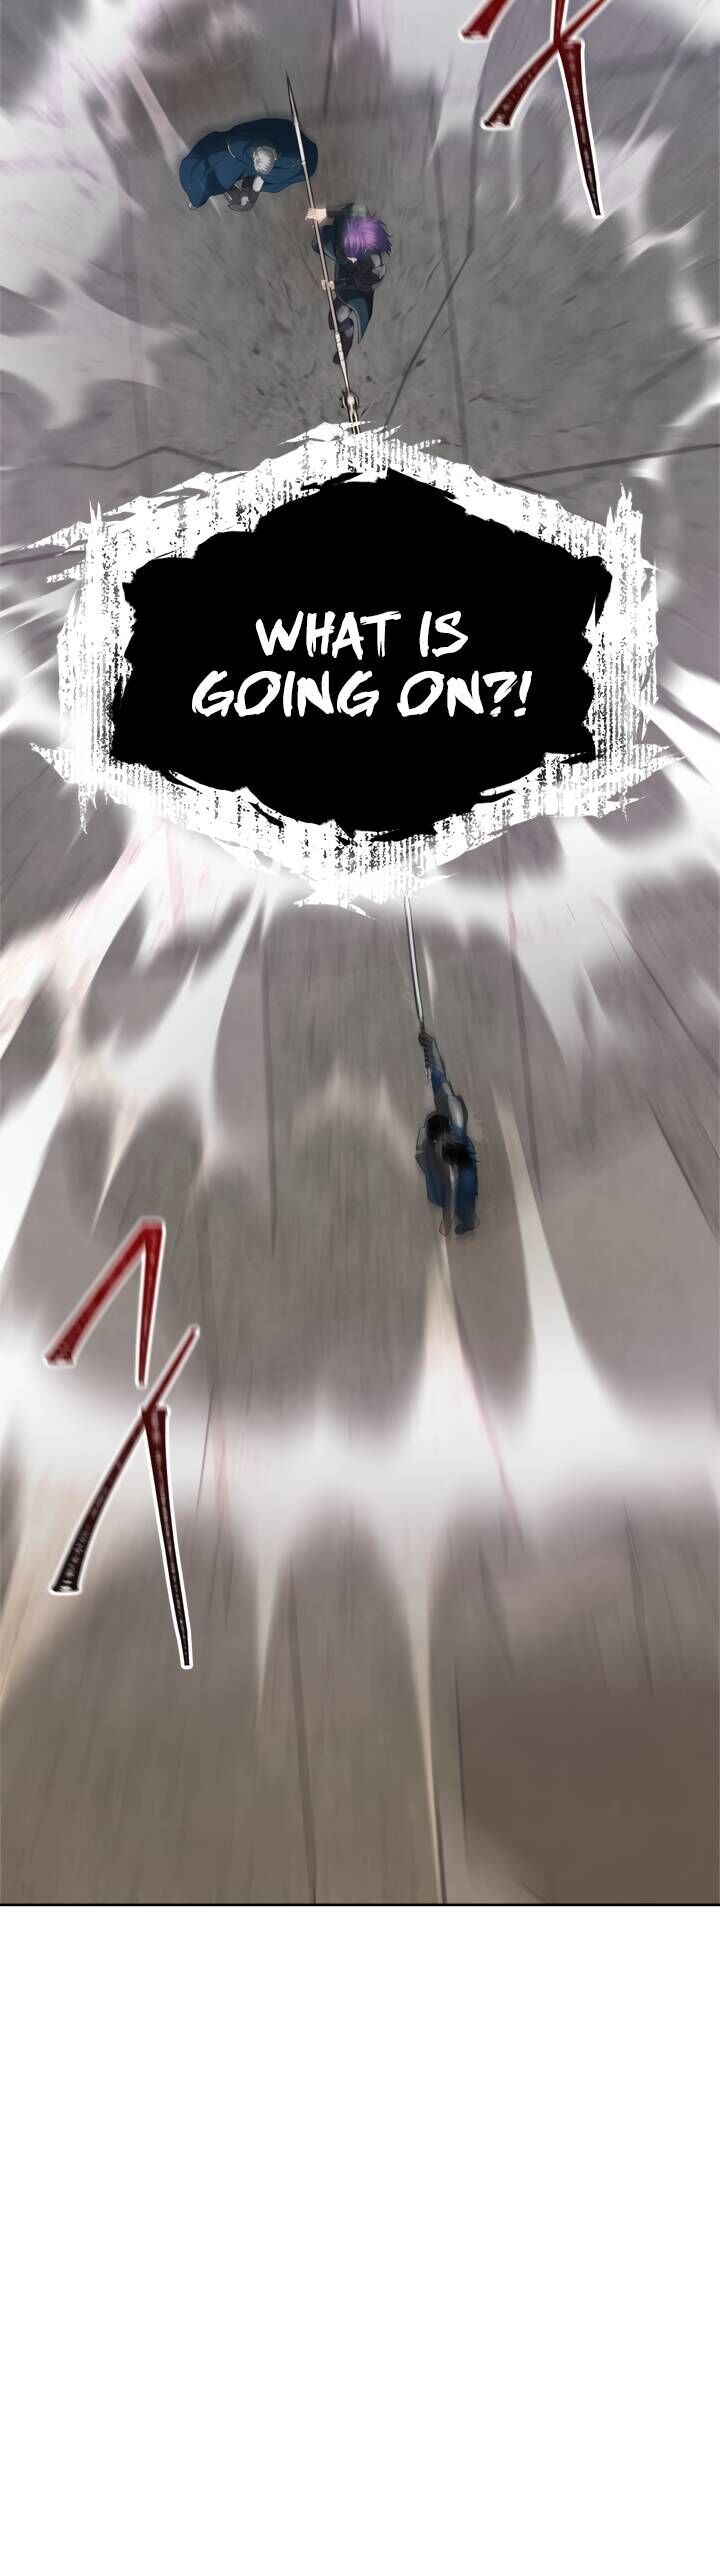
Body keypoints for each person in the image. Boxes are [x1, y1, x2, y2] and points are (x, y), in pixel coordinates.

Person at [180, 115, 318, 213]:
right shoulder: (239, 150)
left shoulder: (287, 159)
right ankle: (197, 199)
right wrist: (250, 195)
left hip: (245, 155)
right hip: (230, 158)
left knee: (220, 179)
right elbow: (259, 177)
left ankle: (203, 196)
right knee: (213, 182)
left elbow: (260, 176)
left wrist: (250, 195)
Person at [307, 202, 391, 362]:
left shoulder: (374, 265)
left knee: (336, 318)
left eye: (354, 256)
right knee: (317, 242)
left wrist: (335, 285)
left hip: (358, 285)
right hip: (341, 252)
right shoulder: (354, 217)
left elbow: (360, 284)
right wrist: (324, 212)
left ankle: (344, 346)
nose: (351, 258)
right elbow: (353, 207)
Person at [415, 1031, 478, 1236]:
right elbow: (439, 1074)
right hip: (462, 1153)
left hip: (462, 1172)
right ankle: (468, 1219)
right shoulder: (451, 1108)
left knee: (463, 1201)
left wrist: (446, 1225)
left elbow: (451, 1189)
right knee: (462, 1190)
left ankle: (470, 1222)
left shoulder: (448, 1166)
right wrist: (430, 1045)